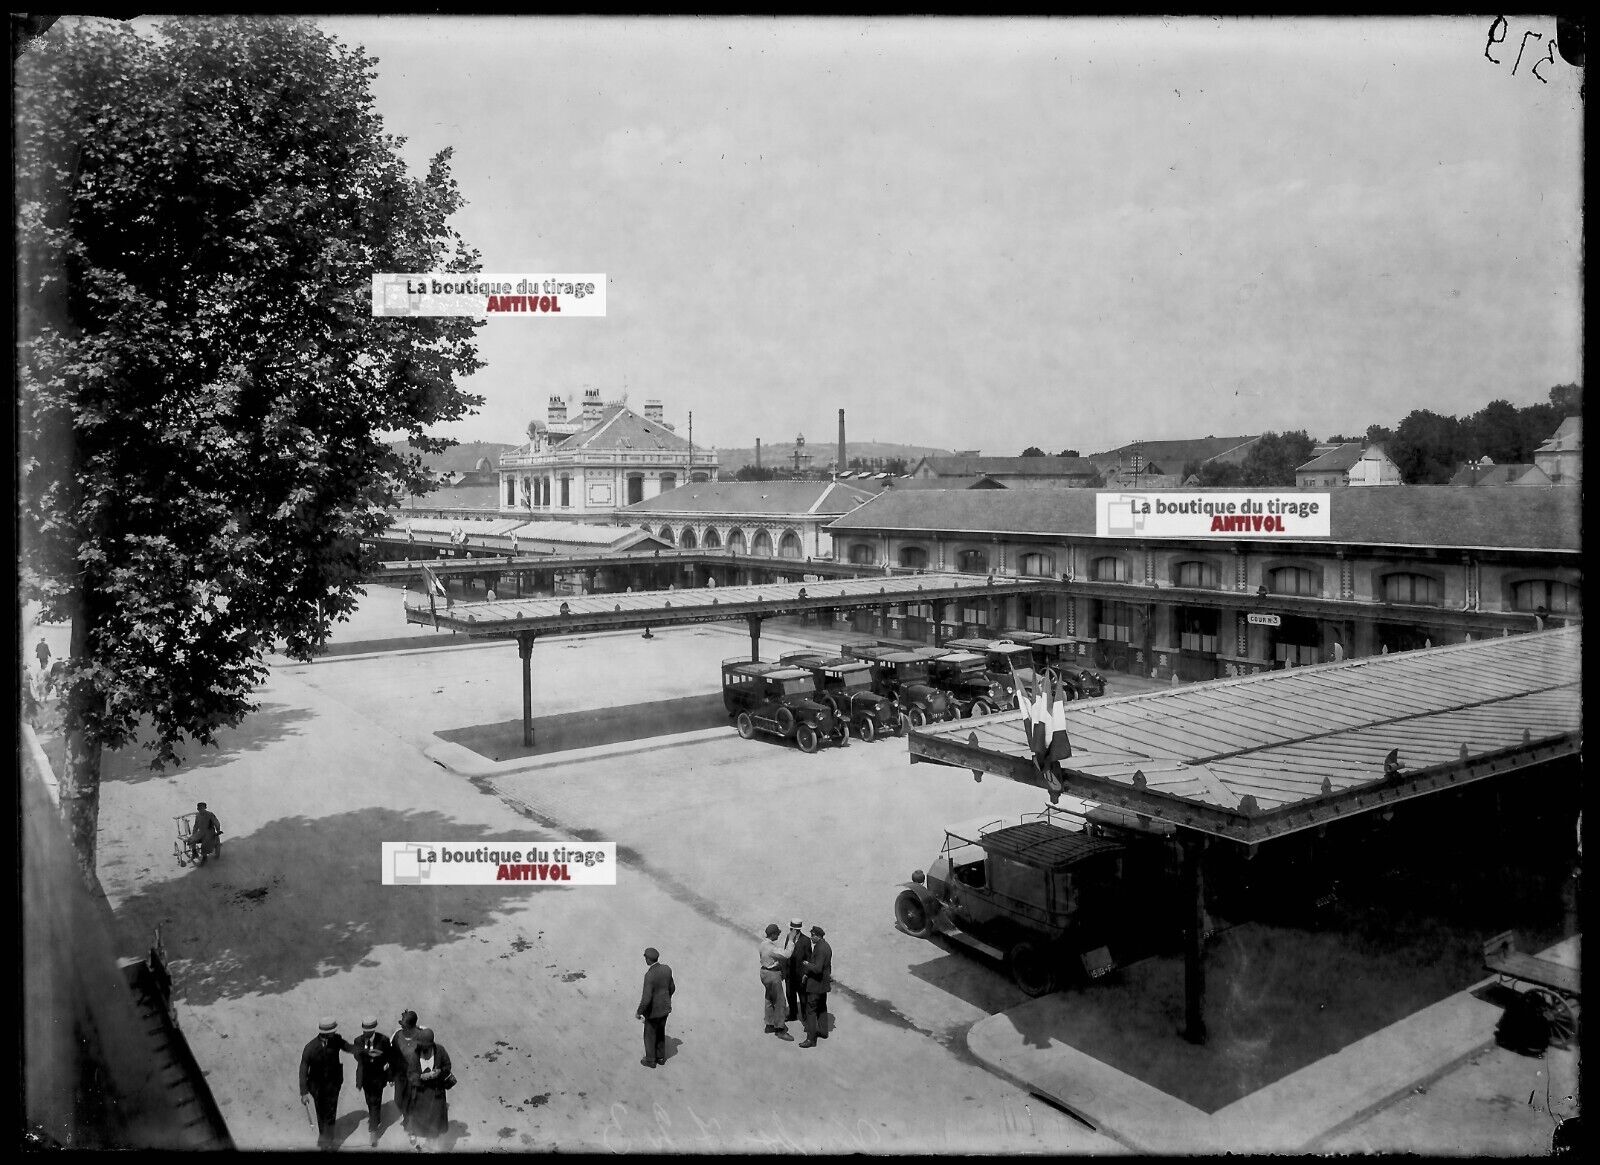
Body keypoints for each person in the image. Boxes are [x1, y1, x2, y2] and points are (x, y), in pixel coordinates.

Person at [298, 1017, 352, 1150]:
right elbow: (303, 1070)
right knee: (322, 1114)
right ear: (325, 1032)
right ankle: (325, 1141)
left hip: (334, 1084)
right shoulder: (310, 1048)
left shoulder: (336, 1040)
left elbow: (348, 1047)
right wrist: (304, 1092)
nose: (335, 1032)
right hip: (318, 1087)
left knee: (331, 1112)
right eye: (332, 1031)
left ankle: (329, 1139)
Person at [407, 1027, 453, 1152]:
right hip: (421, 1094)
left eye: (425, 1045)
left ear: (430, 1044)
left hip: (436, 1093)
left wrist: (440, 1072)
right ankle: (423, 1144)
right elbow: (410, 1074)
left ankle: (433, 1145)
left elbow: (447, 1066)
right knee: (421, 1121)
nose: (422, 1048)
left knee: (435, 1120)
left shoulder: (440, 1051)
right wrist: (422, 1076)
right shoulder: (415, 1054)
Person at [352, 1016, 393, 1148]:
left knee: (375, 1100)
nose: (366, 1033)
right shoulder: (358, 1040)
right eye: (364, 1030)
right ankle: (376, 1118)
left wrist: (382, 1059)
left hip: (378, 1076)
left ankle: (373, 1130)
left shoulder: (383, 1040)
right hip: (365, 1077)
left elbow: (390, 1056)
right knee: (369, 1100)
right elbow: (356, 1055)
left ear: (373, 1029)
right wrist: (368, 1053)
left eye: (368, 1030)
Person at [636, 947, 675, 1068]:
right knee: (660, 1032)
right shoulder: (667, 969)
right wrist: (666, 999)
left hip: (653, 1013)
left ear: (648, 960)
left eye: (645, 958)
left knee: (649, 1034)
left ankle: (650, 1060)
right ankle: (661, 1057)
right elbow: (672, 988)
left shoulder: (649, 975)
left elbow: (646, 998)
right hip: (665, 1009)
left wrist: (639, 1012)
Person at [390, 1010, 423, 1146]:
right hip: (400, 1076)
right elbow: (392, 1056)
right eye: (402, 1026)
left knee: (412, 1103)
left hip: (415, 1077)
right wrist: (391, 1075)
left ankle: (412, 1129)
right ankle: (406, 1116)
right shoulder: (397, 1036)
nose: (402, 1028)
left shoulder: (422, 1037)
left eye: (405, 1027)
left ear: (412, 1026)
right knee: (398, 1100)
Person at [758, 923, 796, 1040]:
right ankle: (780, 1030)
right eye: (777, 933)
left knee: (769, 998)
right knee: (780, 1001)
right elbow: (787, 954)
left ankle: (769, 1024)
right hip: (772, 975)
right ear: (773, 934)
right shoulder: (771, 948)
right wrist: (790, 940)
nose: (778, 935)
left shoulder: (763, 944)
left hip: (764, 973)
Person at [799, 925, 833, 1049]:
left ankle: (811, 1039)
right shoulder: (826, 946)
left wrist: (807, 965)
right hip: (823, 985)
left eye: (812, 935)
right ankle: (823, 1032)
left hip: (815, 986)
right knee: (822, 1007)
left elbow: (818, 968)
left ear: (817, 936)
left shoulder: (820, 949)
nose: (811, 937)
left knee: (811, 1011)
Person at [783, 918, 812, 1024]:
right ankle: (793, 1014)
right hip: (790, 974)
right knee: (790, 995)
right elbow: (785, 953)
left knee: (803, 997)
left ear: (798, 930)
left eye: (793, 929)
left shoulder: (806, 940)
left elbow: (809, 958)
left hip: (800, 974)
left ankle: (805, 1017)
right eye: (791, 928)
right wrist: (784, 971)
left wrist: (806, 973)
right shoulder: (788, 937)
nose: (791, 930)